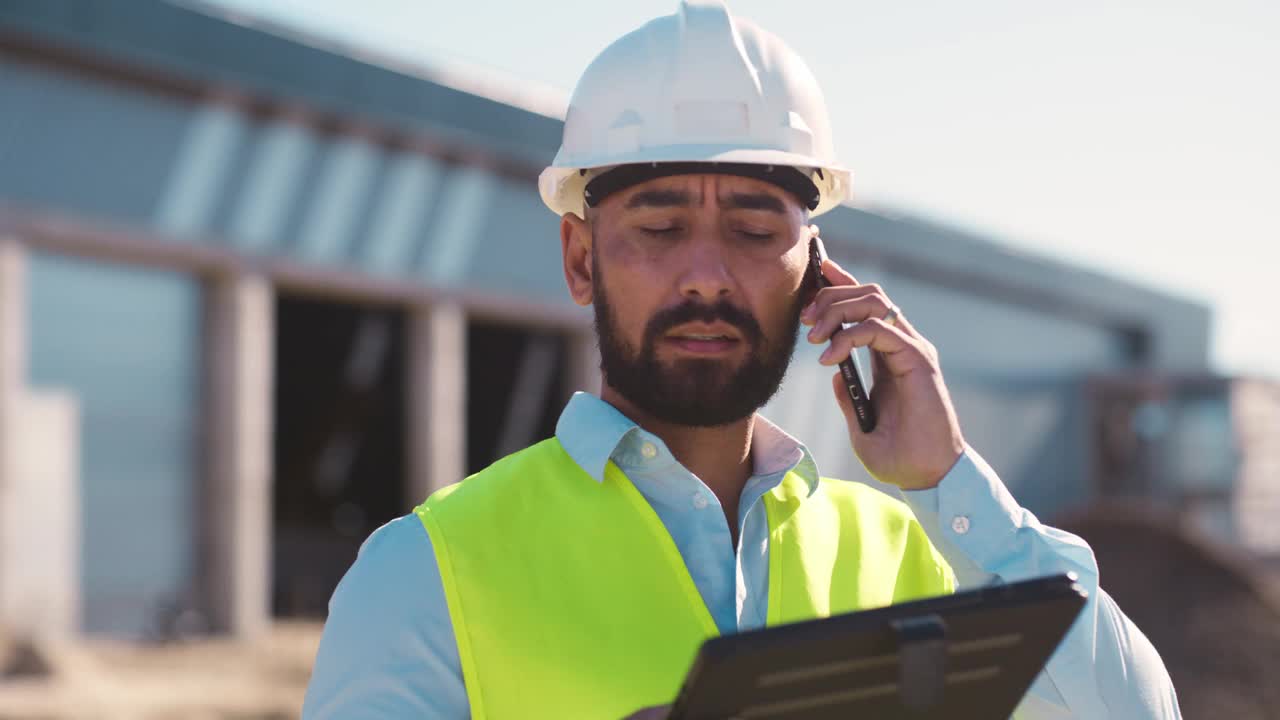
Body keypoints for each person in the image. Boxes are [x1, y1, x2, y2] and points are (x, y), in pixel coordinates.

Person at [302, 2, 1182, 718]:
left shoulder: (916, 562)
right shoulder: (427, 572)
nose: (708, 278)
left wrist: (947, 480)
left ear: (816, 274)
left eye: (756, 232)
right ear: (581, 260)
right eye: (659, 227)